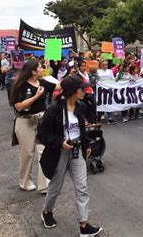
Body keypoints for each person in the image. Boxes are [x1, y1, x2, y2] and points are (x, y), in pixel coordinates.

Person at [37, 75, 102, 236]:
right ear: (73, 91)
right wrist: (60, 142)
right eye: (82, 89)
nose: (85, 91)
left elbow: (81, 128)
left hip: (77, 150)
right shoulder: (54, 109)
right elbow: (42, 134)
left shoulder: (81, 106)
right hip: (59, 152)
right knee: (56, 187)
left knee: (82, 187)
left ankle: (84, 225)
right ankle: (47, 212)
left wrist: (86, 145)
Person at [10, 60, 59, 193]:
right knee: (27, 154)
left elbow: (59, 87)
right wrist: (36, 96)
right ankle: (25, 182)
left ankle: (45, 184)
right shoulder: (19, 85)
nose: (42, 69)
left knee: (43, 151)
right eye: (40, 67)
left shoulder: (42, 82)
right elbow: (19, 106)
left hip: (42, 121)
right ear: (33, 71)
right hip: (25, 122)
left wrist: (70, 76)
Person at [97, 60, 116, 125]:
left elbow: (112, 79)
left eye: (106, 65)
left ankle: (110, 118)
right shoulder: (98, 71)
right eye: (103, 65)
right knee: (101, 103)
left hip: (108, 90)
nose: (105, 66)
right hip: (100, 90)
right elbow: (96, 80)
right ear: (100, 65)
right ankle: (99, 117)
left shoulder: (110, 71)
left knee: (109, 103)